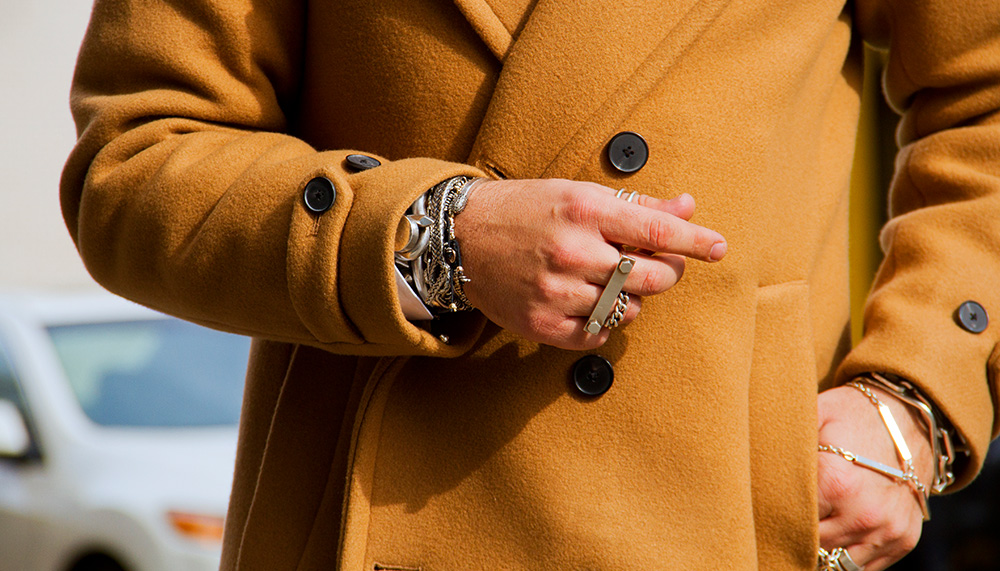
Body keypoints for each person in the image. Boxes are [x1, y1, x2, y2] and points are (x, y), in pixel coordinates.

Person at [61, 0, 1000, 569]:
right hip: (361, 522)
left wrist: (908, 400)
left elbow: (983, 96)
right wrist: (436, 235)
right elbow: (135, 160)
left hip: (724, 522)